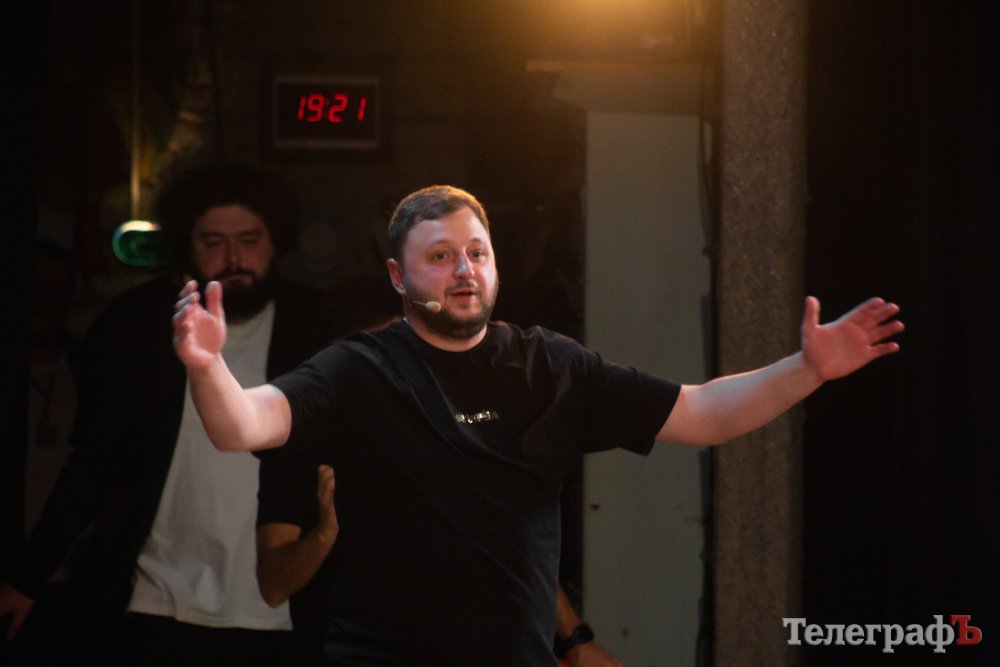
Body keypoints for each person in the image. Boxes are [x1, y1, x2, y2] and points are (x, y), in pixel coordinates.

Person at [171, 184, 903, 666]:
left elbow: (704, 412)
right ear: (398, 277)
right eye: (439, 257)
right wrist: (208, 368)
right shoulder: (358, 369)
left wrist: (807, 369)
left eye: (477, 253)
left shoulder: (549, 366)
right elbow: (243, 425)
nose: (464, 270)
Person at [0, 161, 352, 666]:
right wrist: (29, 576)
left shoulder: (318, 326)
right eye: (213, 242)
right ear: (188, 247)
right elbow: (93, 463)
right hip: (159, 599)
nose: (234, 258)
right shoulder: (139, 327)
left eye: (249, 239)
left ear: (276, 242)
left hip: (285, 606)